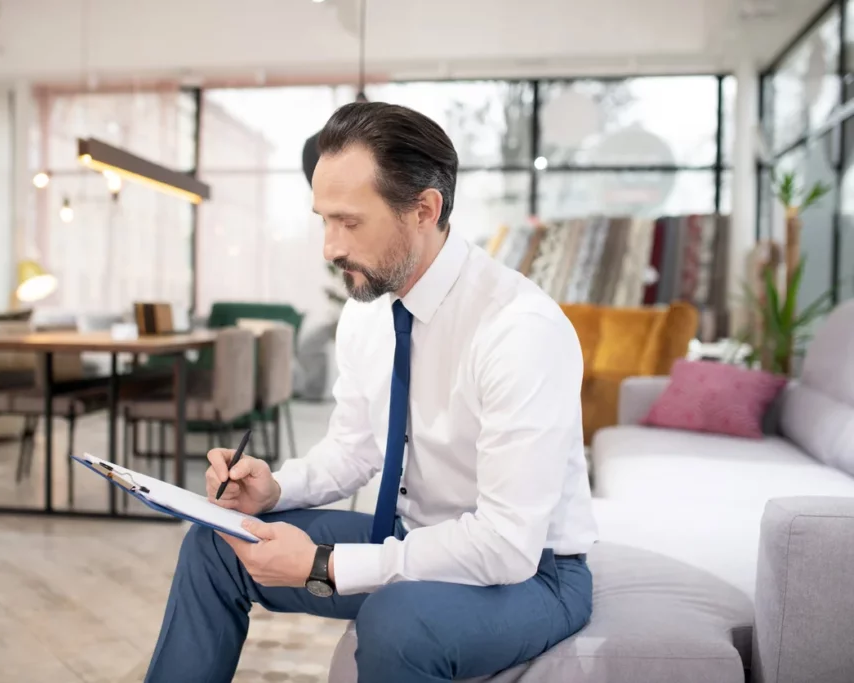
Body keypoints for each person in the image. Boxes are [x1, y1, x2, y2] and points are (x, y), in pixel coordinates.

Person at [144, 101, 599, 683]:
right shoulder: (366, 312)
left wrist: (323, 564)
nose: (330, 247)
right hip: (414, 537)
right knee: (217, 546)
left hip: (534, 574)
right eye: (323, 220)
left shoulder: (519, 329)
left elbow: (507, 545)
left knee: (398, 620)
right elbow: (355, 449)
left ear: (424, 210)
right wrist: (275, 487)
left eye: (350, 221)